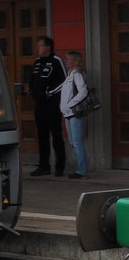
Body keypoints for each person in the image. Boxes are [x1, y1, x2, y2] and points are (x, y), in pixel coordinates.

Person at [28, 36, 66, 177]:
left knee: (56, 136)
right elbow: (32, 79)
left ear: (48, 47)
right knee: (42, 137)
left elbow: (65, 81)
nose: (38, 48)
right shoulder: (37, 62)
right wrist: (32, 91)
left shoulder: (57, 61)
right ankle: (44, 166)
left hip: (53, 106)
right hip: (39, 106)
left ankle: (60, 167)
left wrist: (50, 92)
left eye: (40, 46)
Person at [59, 50, 90, 180]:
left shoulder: (77, 74)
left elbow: (83, 91)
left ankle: (81, 170)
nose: (66, 61)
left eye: (69, 59)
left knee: (77, 142)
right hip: (68, 114)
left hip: (75, 113)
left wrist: (71, 104)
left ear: (75, 61)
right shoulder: (69, 75)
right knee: (73, 141)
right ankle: (79, 168)